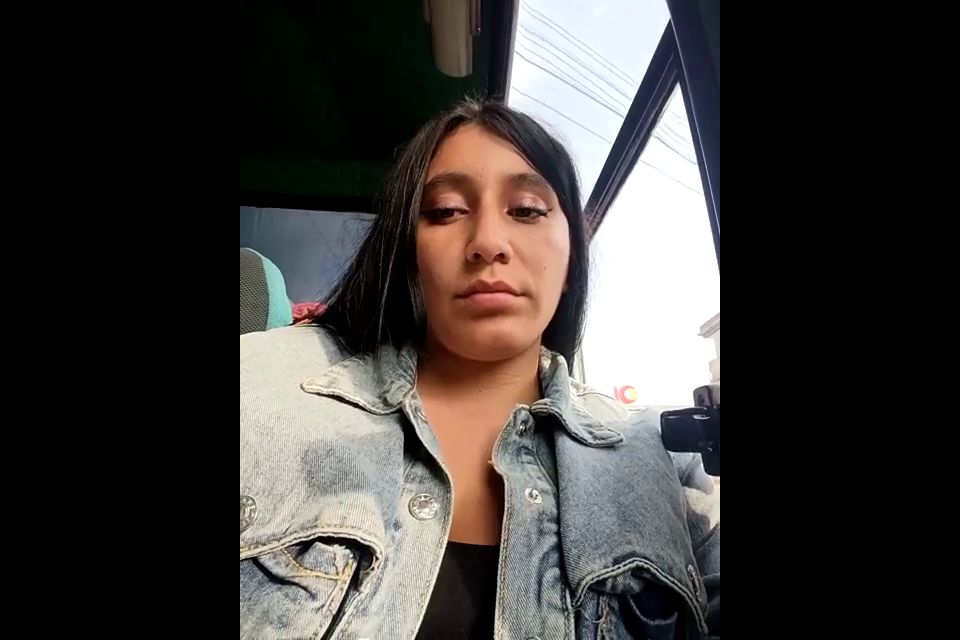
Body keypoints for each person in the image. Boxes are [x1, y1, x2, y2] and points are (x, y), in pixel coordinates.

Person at [240, 99, 720, 639]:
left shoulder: (667, 460)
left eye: (527, 210)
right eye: (445, 210)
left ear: (571, 260)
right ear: (408, 253)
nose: (488, 243)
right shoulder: (258, 389)